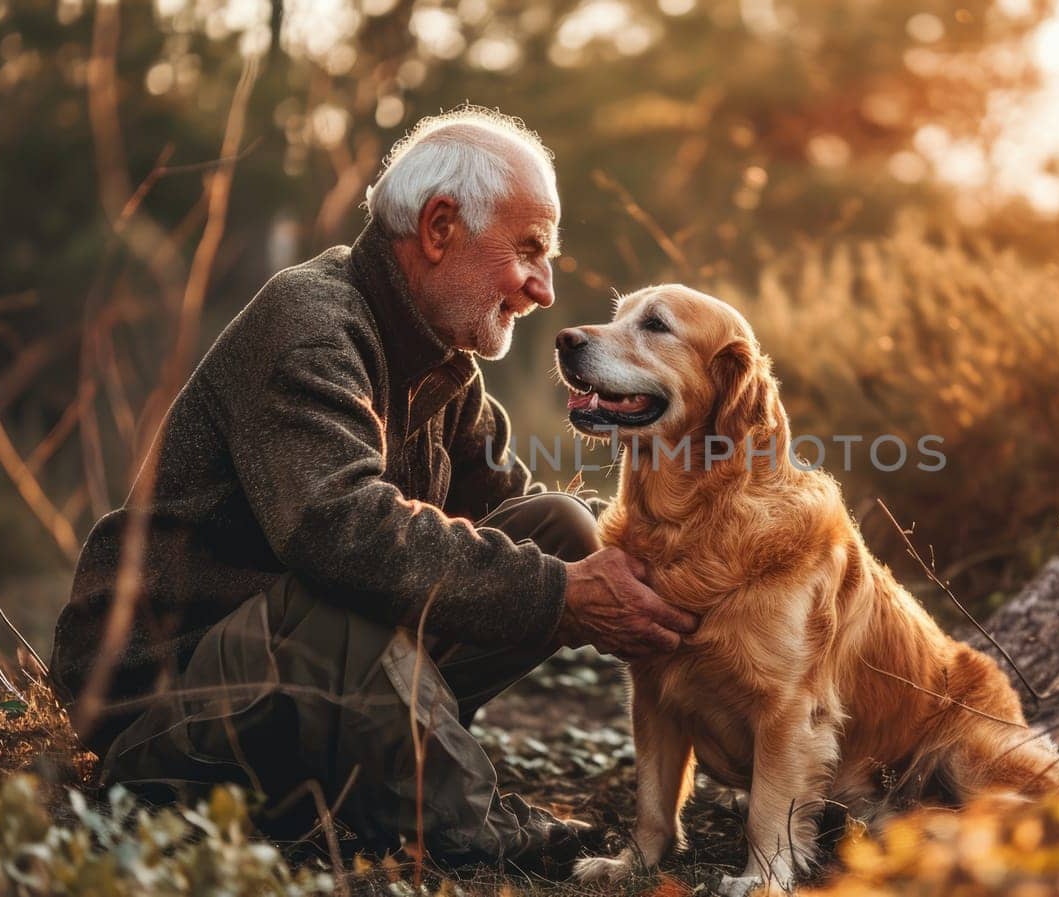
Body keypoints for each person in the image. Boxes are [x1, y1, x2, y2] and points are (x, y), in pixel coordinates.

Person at [47, 106, 697, 873]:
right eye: (528, 250)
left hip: (297, 690)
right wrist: (562, 592)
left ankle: (371, 776)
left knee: (559, 526)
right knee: (343, 595)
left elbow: (504, 518)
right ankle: (469, 823)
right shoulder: (309, 322)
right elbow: (339, 531)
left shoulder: (440, 360)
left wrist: (682, 565)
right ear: (439, 228)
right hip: (162, 711)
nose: (544, 289)